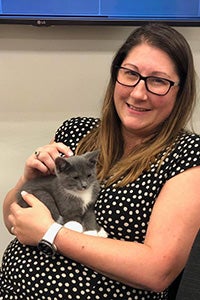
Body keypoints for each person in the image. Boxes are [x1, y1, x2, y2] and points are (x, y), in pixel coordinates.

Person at [0, 23, 200, 300]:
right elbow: (14, 220)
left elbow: (157, 272)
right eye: (130, 74)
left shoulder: (188, 155)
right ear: (116, 76)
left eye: (158, 81)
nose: (139, 93)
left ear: (180, 91)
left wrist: (50, 234)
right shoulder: (75, 132)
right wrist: (27, 181)